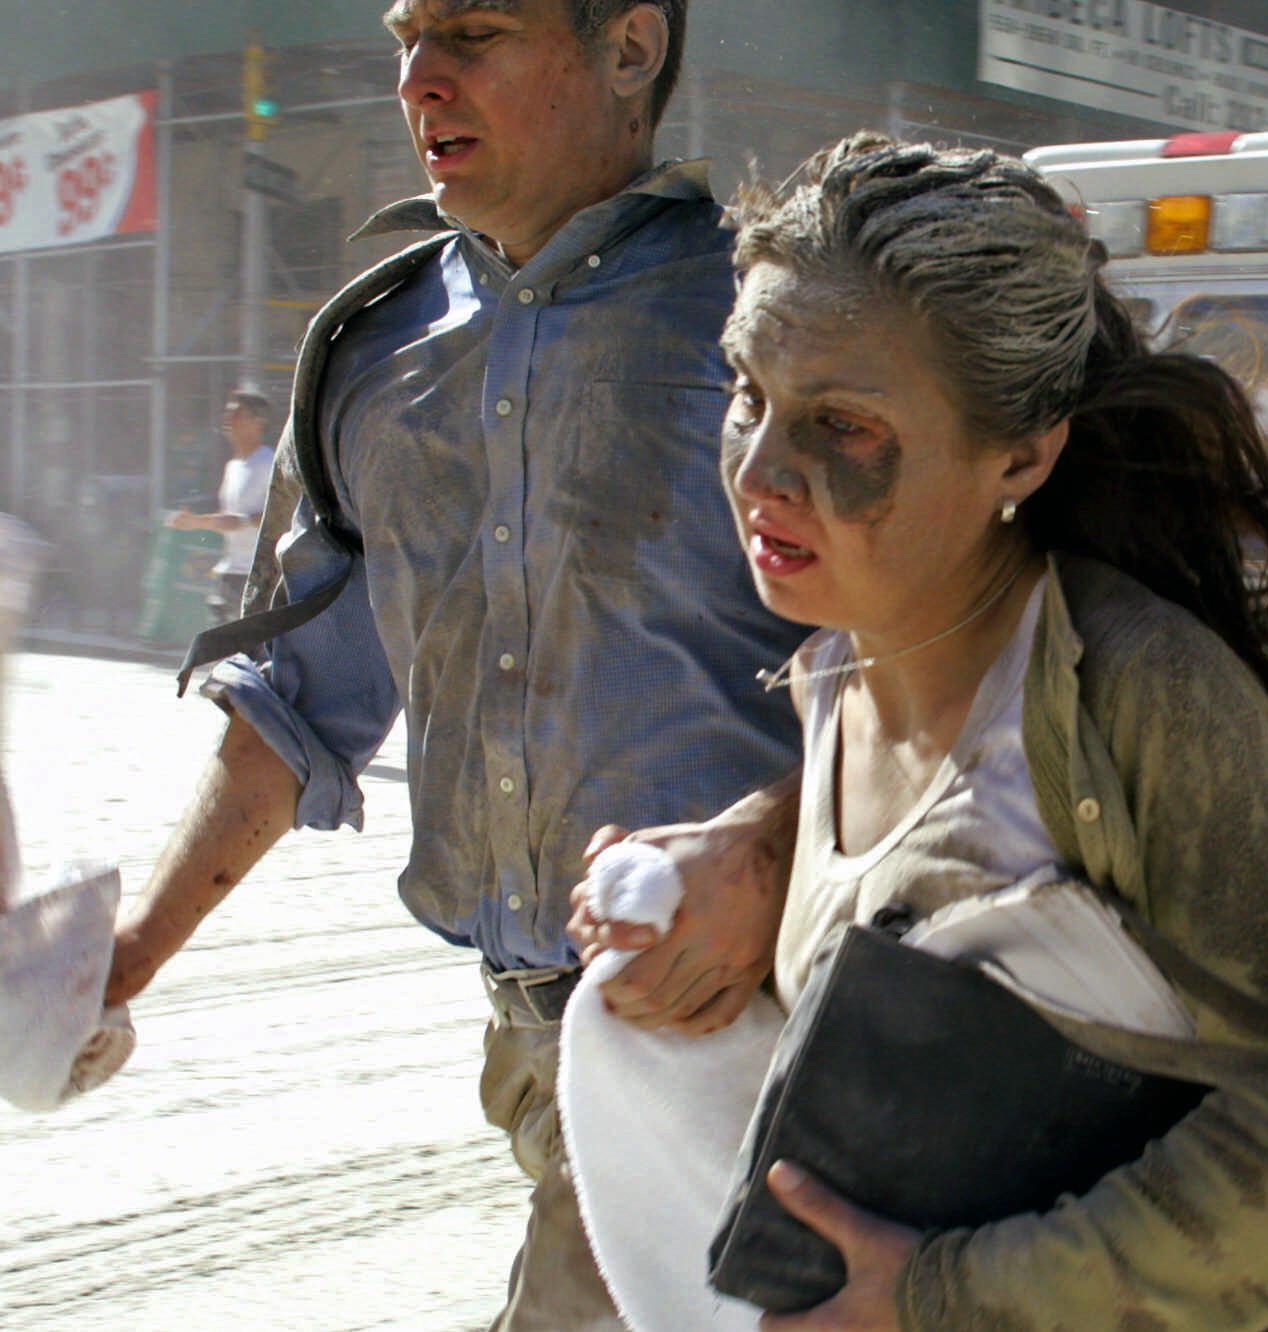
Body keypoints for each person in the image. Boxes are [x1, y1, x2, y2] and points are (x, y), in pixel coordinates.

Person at [672, 132, 1268, 1330]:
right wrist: (728, 870)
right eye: (748, 394)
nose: (760, 467)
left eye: (843, 425)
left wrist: (947, 1300)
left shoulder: (1139, 692)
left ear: (1022, 449)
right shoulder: (829, 683)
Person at [103, 3, 806, 1327]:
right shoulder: (372, 352)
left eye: (475, 31)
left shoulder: (777, 325)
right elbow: (295, 700)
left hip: (763, 1027)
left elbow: (947, 656)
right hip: (539, 1040)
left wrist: (764, 852)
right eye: (408, 36)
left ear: (631, 47)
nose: (422, 79)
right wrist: (126, 956)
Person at [166, 390, 276, 626]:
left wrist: (243, 522)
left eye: (237, 413)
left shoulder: (270, 463)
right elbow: (227, 521)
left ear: (258, 422)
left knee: (252, 653)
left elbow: (282, 514)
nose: (228, 419)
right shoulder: (233, 467)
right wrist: (196, 522)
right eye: (227, 413)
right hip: (230, 576)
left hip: (259, 578)